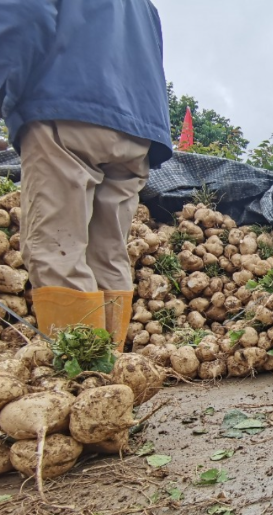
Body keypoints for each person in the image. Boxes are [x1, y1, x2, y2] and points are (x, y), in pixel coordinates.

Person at [0, 0, 173, 349]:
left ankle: (78, 382)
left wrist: (8, 98)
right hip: (137, 130)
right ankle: (106, 378)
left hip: (66, 108)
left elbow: (25, 15)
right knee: (107, 254)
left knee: (57, 250)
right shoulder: (143, 5)